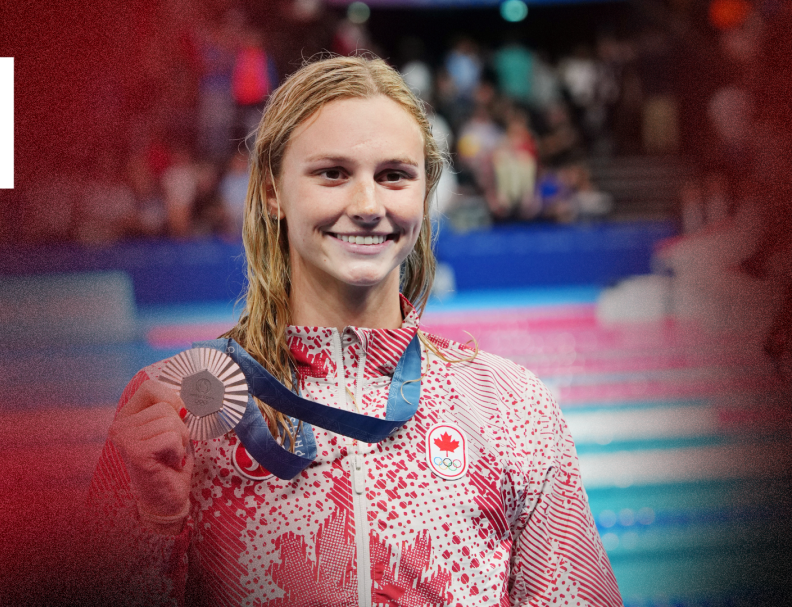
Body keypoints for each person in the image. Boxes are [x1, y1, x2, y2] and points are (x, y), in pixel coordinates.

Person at [88, 55, 620, 606]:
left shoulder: (510, 409)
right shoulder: (176, 404)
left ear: (423, 193)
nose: (367, 206)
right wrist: (153, 525)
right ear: (271, 191)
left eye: (394, 175)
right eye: (332, 173)